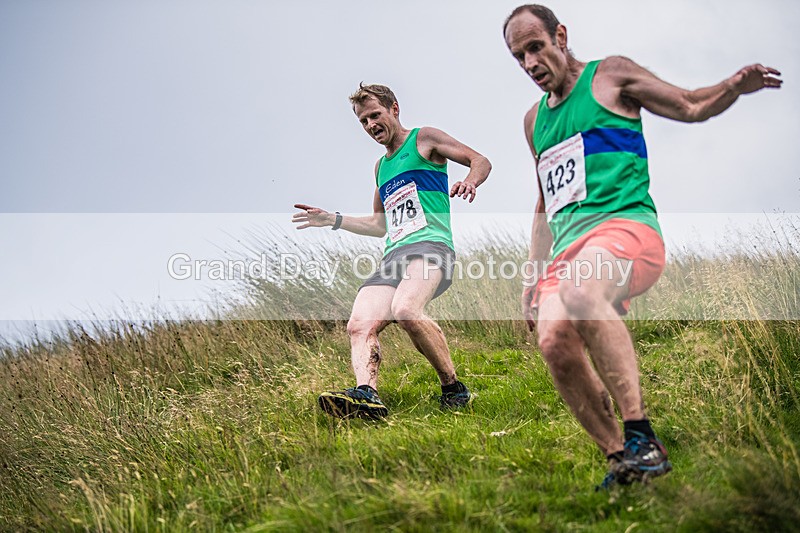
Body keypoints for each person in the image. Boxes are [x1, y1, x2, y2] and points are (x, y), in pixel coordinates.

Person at [503, 4, 782, 488]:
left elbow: (691, 104)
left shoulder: (609, 77)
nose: (529, 64)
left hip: (624, 229)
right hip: (567, 252)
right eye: (518, 57)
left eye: (535, 48)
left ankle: (642, 433)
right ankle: (624, 458)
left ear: (560, 36)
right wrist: (532, 271)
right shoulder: (533, 122)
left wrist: (733, 87)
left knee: (582, 291)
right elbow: (545, 200)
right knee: (554, 343)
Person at [293, 83, 491, 420]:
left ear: (394, 109)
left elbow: (480, 160)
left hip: (431, 247)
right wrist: (332, 219)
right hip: (393, 256)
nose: (370, 126)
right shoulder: (380, 168)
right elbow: (378, 225)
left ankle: (453, 389)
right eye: (363, 122)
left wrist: (470, 180)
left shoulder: (424, 139)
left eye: (375, 115)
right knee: (358, 325)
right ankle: (367, 396)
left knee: (406, 310)